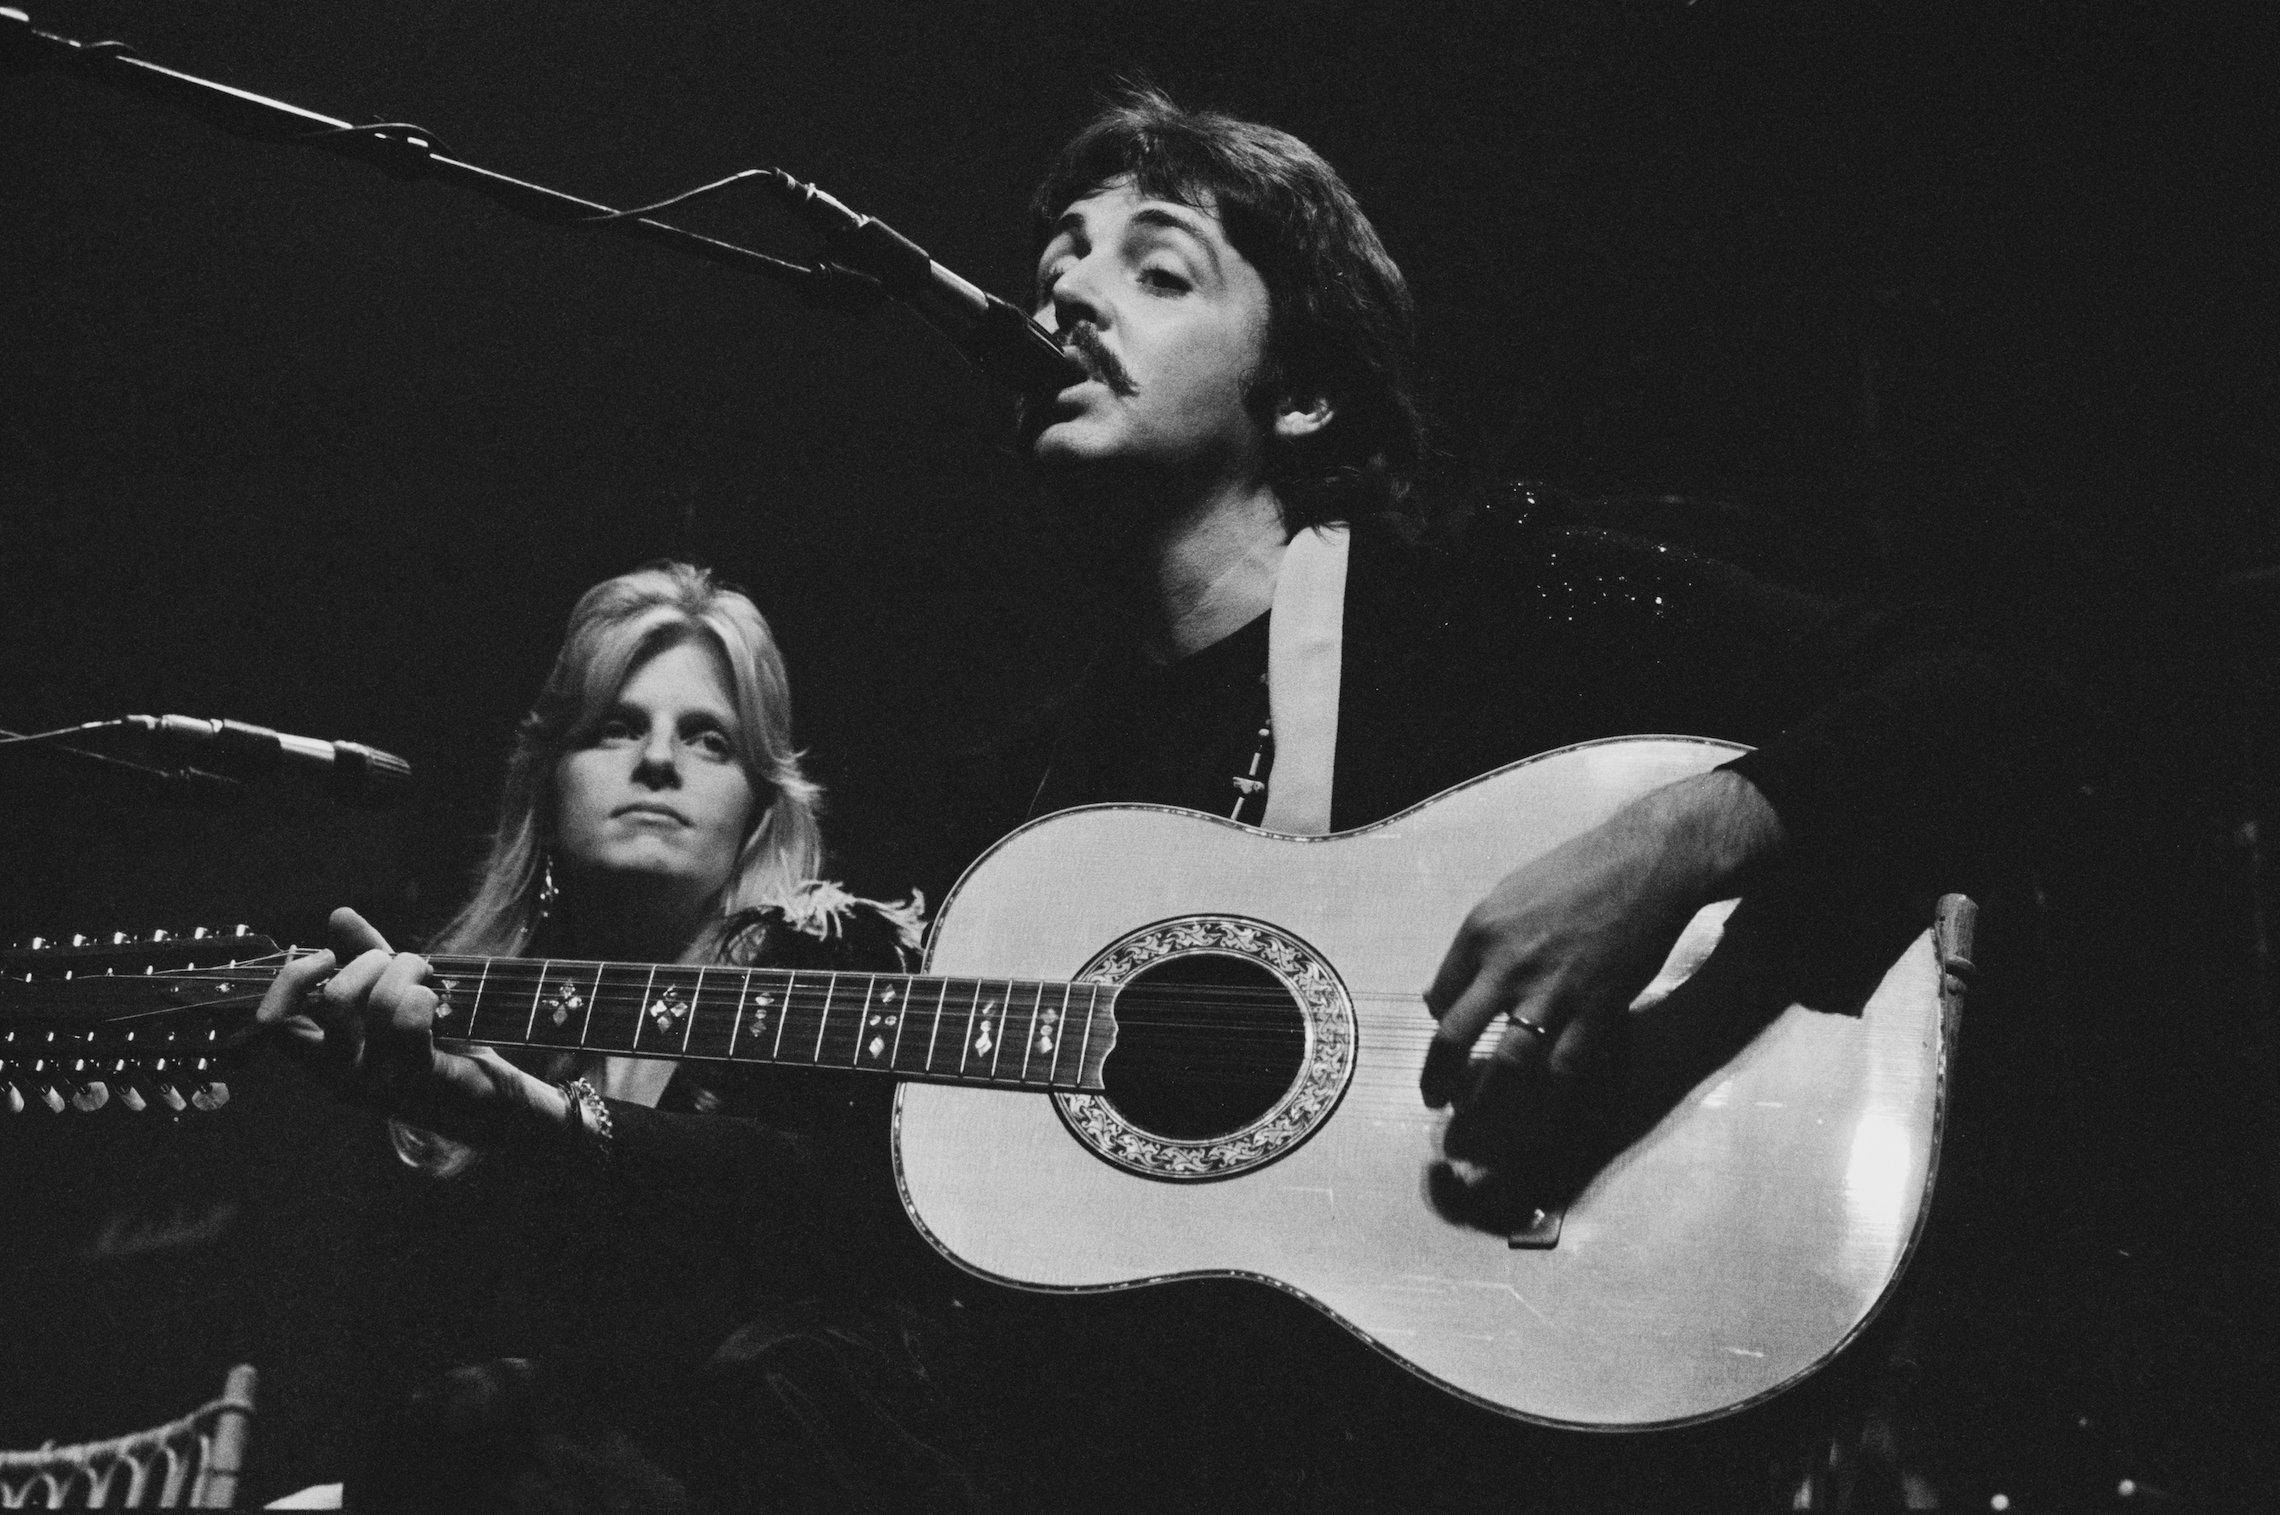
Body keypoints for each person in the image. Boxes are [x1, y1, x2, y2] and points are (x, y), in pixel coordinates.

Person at [906, 85, 2074, 1510]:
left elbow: (1995, 703)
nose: (1072, 296)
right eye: (1055, 271)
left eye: (1155, 267)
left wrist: (1669, 845)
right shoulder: (1034, 802)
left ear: (1306, 390)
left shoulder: (1497, 606)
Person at [256, 562, 977, 1514]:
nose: (658, 762)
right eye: (617, 726)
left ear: (760, 805)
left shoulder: (834, 961)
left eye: (708, 739)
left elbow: (811, 1195)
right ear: (550, 782)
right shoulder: (473, 1023)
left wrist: (544, 1120)